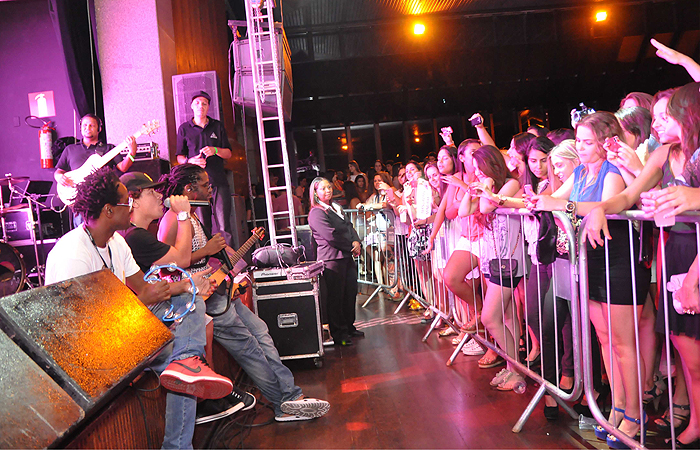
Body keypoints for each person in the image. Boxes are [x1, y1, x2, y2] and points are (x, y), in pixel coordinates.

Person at [44, 167, 239, 449]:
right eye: (127, 202)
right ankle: (185, 370)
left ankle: (186, 367)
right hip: (87, 346)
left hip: (121, 324)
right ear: (109, 210)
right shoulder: (72, 254)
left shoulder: (117, 242)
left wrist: (186, 287)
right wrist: (147, 301)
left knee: (185, 338)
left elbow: (146, 290)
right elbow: (82, 325)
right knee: (178, 364)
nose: (131, 207)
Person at [158, 164, 331, 422]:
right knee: (248, 346)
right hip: (203, 295)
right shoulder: (172, 218)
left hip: (217, 288)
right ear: (189, 188)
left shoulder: (192, 215)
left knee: (261, 332)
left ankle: (290, 395)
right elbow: (166, 267)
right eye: (205, 185)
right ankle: (283, 403)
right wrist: (205, 251)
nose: (210, 190)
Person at [584, 83, 700, 447]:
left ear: (689, 116)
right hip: (675, 249)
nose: (657, 125)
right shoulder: (664, 153)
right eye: (655, 118)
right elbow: (629, 196)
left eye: (665, 117)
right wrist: (601, 208)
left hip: (695, 248)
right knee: (685, 346)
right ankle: (695, 421)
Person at [531, 111, 651, 447]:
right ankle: (618, 407)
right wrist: (540, 201)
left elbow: (600, 206)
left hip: (619, 261)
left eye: (586, 141)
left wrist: (562, 205)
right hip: (593, 259)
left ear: (605, 140)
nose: (580, 147)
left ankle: (635, 414)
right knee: (604, 339)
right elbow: (558, 200)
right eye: (579, 141)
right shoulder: (582, 170)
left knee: (624, 344)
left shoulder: (615, 169)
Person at [308, 177, 363, 347]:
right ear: (316, 193)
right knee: (336, 298)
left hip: (346, 256)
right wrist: (350, 246)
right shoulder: (316, 213)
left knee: (350, 293)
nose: (328, 190)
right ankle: (339, 334)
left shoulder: (336, 207)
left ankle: (349, 326)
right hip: (332, 259)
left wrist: (356, 241)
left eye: (329, 187)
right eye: (323, 188)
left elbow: (349, 226)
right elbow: (331, 236)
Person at [176, 91, 234, 246]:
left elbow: (228, 153)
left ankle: (232, 264)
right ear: (191, 106)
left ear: (208, 107)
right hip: (196, 185)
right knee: (202, 226)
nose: (200, 106)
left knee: (224, 226)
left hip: (218, 181)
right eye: (197, 103)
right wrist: (191, 161)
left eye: (204, 103)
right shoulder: (184, 129)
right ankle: (208, 263)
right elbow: (179, 157)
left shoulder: (217, 126)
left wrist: (215, 150)